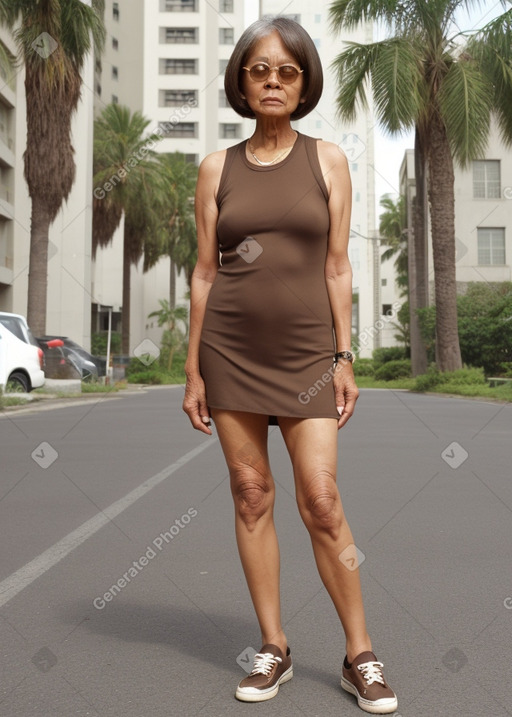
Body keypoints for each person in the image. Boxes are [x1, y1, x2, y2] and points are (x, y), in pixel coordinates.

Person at [183, 16, 397, 714]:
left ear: (303, 82)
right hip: (231, 352)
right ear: (241, 82)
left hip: (308, 354)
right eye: (258, 70)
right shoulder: (217, 167)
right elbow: (204, 274)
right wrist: (194, 370)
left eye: (286, 71)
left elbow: (338, 267)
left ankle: (359, 652)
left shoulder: (327, 160)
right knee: (251, 494)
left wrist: (344, 355)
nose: (272, 80)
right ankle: (273, 644)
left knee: (322, 500)